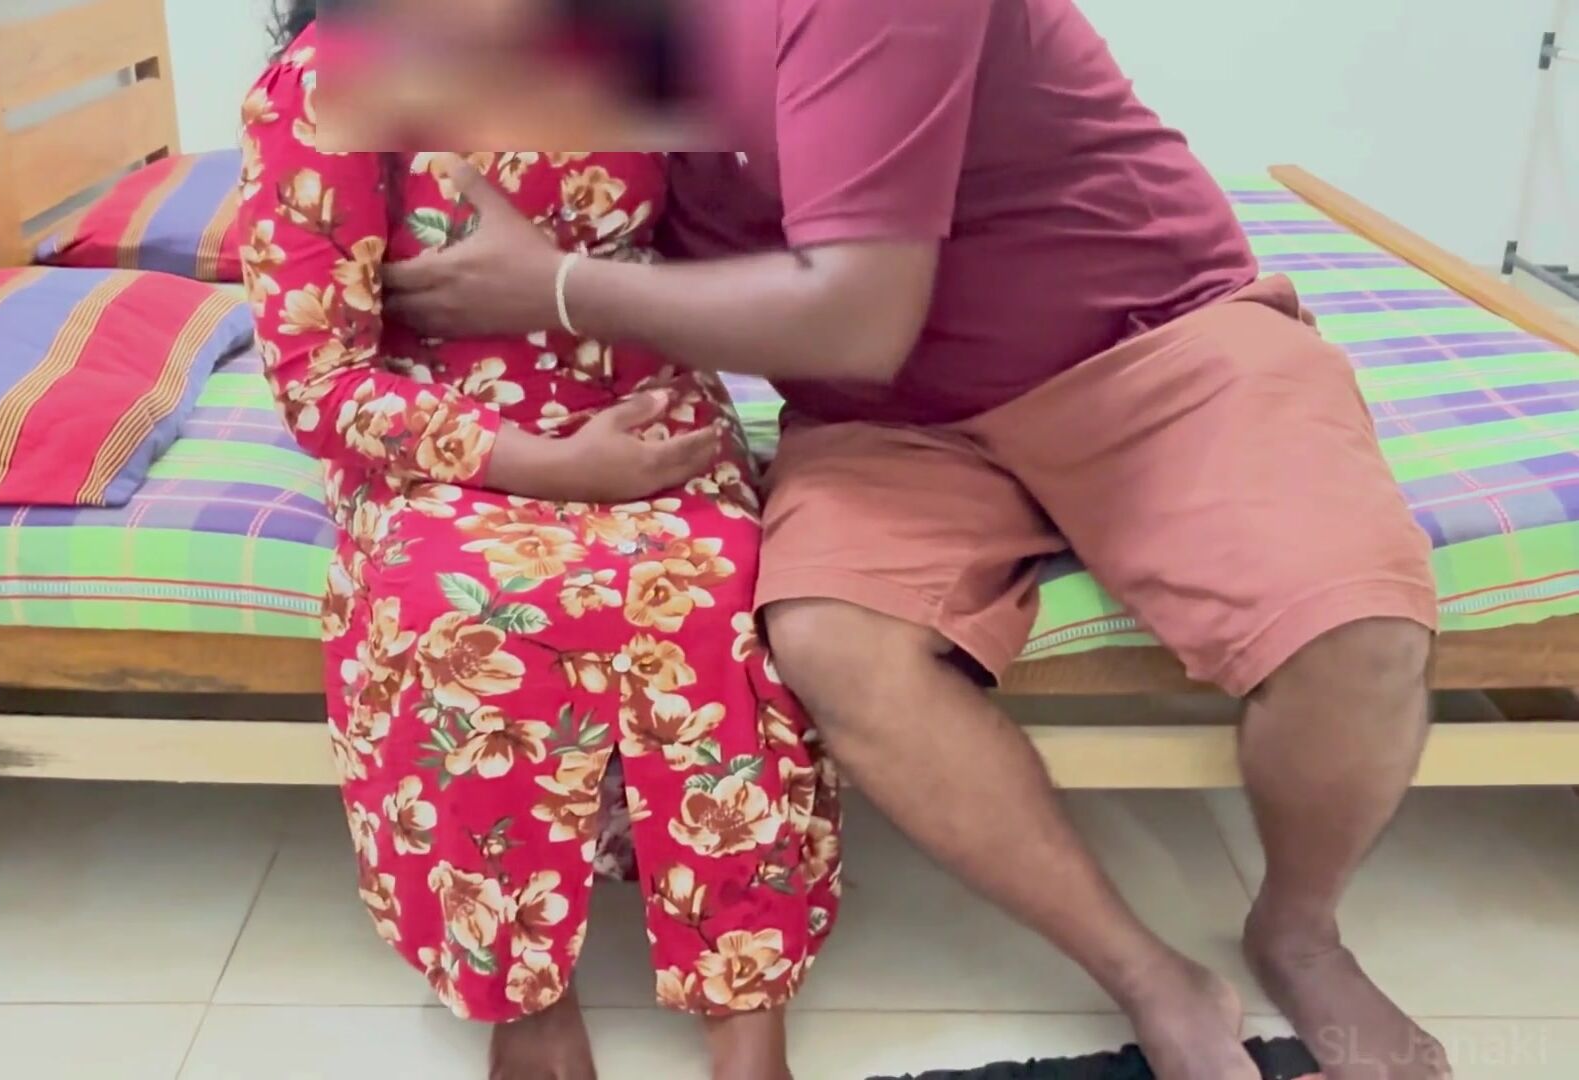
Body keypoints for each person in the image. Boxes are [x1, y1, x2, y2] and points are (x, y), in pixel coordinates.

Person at [376, 2, 1447, 1079]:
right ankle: (1148, 975)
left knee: (1351, 625)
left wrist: (561, 290)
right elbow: (353, 164)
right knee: (832, 638)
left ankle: (1300, 930)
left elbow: (856, 315)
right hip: (882, 415)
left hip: (1147, 338)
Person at [239, 11, 840, 1080]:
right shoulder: (331, 80)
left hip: (640, 400)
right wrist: (550, 468)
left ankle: (748, 1015)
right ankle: (529, 1006)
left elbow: (725, 241)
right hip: (440, 437)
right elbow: (317, 379)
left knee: (723, 594)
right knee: (465, 612)